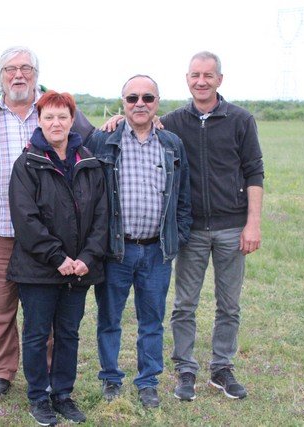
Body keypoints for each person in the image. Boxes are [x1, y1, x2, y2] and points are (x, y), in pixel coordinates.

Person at [0, 47, 95, 397]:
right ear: (0, 75)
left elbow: (95, 141)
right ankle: (2, 371)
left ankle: (51, 369)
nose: (18, 75)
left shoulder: (57, 109)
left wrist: (120, 121)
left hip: (53, 237)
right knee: (2, 305)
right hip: (1, 231)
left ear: (36, 74)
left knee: (49, 304)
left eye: (26, 68)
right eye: (10, 69)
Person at [162, 51, 264, 401]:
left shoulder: (240, 120)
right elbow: (138, 126)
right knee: (185, 304)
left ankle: (222, 369)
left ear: (220, 79)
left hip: (231, 228)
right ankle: (185, 371)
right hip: (191, 229)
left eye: (208, 75)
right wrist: (115, 122)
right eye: (195, 75)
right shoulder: (173, 121)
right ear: (187, 79)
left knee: (229, 304)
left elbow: (254, 172)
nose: (201, 81)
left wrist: (252, 224)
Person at [87, 75, 192, 408]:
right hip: (115, 250)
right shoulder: (102, 141)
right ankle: (111, 380)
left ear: (157, 102)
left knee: (152, 321)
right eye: (132, 98)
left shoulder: (172, 144)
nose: (140, 104)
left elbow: (184, 199)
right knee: (109, 319)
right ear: (123, 103)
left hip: (157, 251)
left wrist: (178, 235)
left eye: (147, 98)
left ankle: (148, 382)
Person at [8, 91, 107, 425]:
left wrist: (87, 258)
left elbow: (101, 218)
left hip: (79, 269)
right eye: (49, 117)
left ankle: (63, 393)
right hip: (39, 269)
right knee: (37, 334)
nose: (56, 123)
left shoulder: (89, 162)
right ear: (39, 121)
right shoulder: (27, 163)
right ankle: (39, 397)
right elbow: (25, 218)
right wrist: (57, 257)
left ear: (72, 120)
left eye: (62, 116)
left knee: (69, 333)